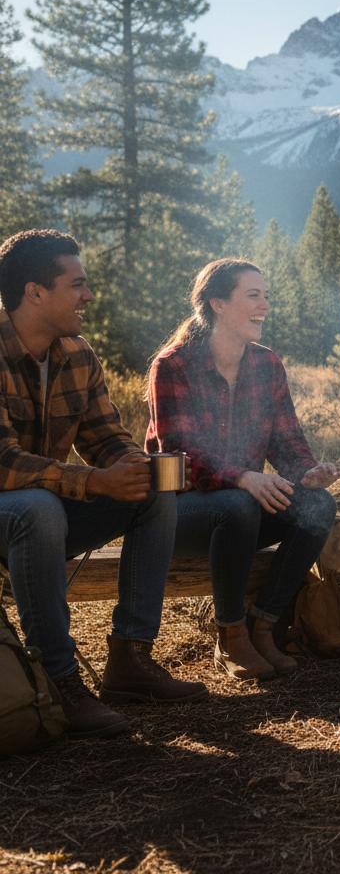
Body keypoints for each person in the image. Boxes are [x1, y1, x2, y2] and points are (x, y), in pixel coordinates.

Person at [0, 230, 207, 738]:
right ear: (35, 292)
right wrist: (95, 481)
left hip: (38, 519)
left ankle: (130, 659)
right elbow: (2, 463)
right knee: (38, 508)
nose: (89, 296)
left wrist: (138, 467)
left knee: (153, 491)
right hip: (20, 515)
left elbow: (106, 438)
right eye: (78, 285)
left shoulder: (76, 354)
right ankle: (60, 680)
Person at [147, 259, 339, 681]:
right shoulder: (173, 365)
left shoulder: (267, 365)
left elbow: (287, 444)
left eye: (266, 296)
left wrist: (308, 473)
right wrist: (241, 476)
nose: (265, 305)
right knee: (238, 504)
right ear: (217, 303)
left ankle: (264, 625)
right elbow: (177, 455)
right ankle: (229, 635)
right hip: (178, 515)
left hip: (243, 511)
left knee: (317, 506)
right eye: (254, 296)